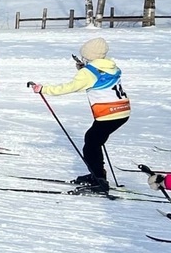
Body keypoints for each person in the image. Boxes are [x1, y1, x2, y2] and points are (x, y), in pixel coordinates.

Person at [30, 37, 129, 194]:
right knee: (94, 140)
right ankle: (97, 175)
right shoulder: (111, 67)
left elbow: (70, 87)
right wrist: (85, 69)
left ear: (88, 56)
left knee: (91, 144)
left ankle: (99, 180)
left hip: (108, 114)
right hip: (122, 111)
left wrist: (43, 89)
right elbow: (99, 76)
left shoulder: (89, 73)